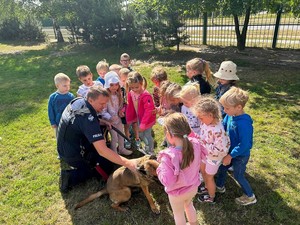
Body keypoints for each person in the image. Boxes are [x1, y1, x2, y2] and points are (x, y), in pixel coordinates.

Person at [57, 86, 137, 193]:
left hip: (66, 143)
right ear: (90, 100)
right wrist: (129, 163)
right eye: (102, 104)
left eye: (105, 103)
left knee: (107, 158)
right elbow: (102, 151)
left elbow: (81, 121)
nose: (104, 107)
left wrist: (102, 121)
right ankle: (69, 177)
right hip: (72, 154)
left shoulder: (80, 101)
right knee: (105, 166)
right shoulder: (88, 119)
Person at [156, 112, 203, 225]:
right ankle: (194, 223)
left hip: (177, 193)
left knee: (178, 214)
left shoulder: (168, 156)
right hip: (193, 187)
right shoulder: (196, 144)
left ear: (169, 135)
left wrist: (159, 168)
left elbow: (167, 181)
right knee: (189, 205)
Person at [216, 87, 257, 206]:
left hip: (240, 155)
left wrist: (231, 155)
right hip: (229, 151)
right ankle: (219, 186)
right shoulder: (230, 115)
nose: (224, 110)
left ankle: (250, 196)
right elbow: (224, 125)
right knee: (222, 168)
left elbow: (245, 145)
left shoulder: (244, 123)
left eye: (227, 108)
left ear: (239, 107)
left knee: (238, 175)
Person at [191, 96, 230, 203]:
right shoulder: (206, 122)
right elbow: (203, 135)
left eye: (201, 118)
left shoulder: (217, 130)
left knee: (209, 177)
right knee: (203, 170)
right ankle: (207, 187)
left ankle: (211, 196)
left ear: (210, 115)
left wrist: (202, 143)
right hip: (205, 154)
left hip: (213, 157)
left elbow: (221, 150)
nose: (200, 120)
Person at [126, 71, 156, 155]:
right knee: (140, 134)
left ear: (141, 83)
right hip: (139, 117)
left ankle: (151, 151)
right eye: (132, 88)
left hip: (146, 119)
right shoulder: (131, 93)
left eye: (137, 87)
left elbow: (148, 111)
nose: (134, 89)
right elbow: (130, 104)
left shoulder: (146, 95)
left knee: (147, 135)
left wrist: (143, 124)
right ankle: (147, 146)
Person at [103, 71, 132, 155]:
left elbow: (121, 106)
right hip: (110, 121)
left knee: (121, 135)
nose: (114, 87)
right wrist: (109, 118)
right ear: (108, 84)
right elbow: (103, 111)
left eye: (116, 84)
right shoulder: (106, 96)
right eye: (111, 85)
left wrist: (121, 111)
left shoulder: (119, 94)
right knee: (114, 137)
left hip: (118, 119)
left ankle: (121, 148)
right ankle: (114, 153)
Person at [48, 73, 75, 137]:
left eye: (69, 85)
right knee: (59, 137)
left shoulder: (71, 96)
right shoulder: (53, 97)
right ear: (57, 86)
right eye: (65, 86)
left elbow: (74, 109)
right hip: (58, 123)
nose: (68, 88)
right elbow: (50, 111)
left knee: (70, 137)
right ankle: (60, 147)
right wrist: (53, 122)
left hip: (69, 122)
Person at [119, 68, 132, 149]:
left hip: (132, 111)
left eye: (127, 80)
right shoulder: (120, 90)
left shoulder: (132, 89)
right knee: (126, 125)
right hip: (124, 111)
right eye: (123, 80)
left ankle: (136, 136)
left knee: (134, 124)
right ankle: (127, 138)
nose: (125, 83)